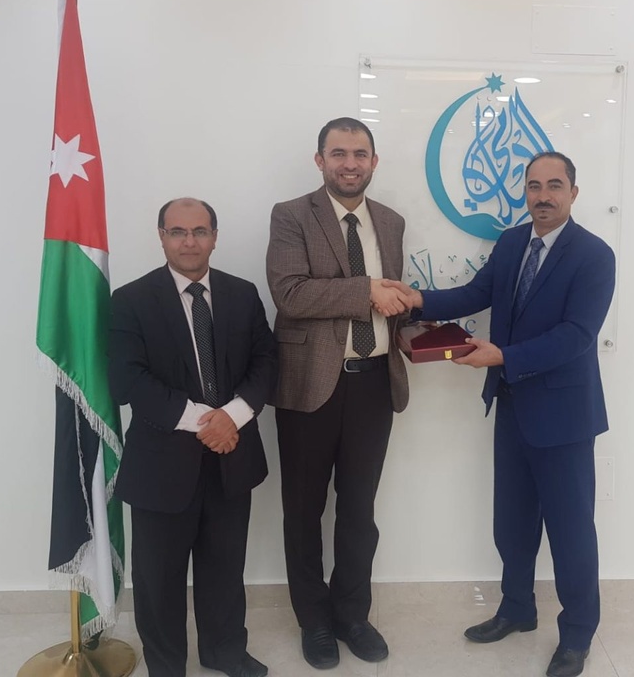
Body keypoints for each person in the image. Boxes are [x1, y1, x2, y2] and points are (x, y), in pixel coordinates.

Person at [389, 152, 615, 677]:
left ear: (574, 193)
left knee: (571, 534)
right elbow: (476, 293)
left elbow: (577, 336)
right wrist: (416, 300)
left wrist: (504, 357)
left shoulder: (594, 255)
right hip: (512, 406)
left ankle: (577, 635)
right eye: (534, 186)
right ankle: (517, 610)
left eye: (554, 186)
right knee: (511, 524)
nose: (543, 196)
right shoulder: (513, 243)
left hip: (564, 418)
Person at [110, 198, 277, 677]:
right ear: (161, 236)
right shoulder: (131, 300)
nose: (189, 242)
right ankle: (167, 667)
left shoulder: (242, 294)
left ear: (214, 237)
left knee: (224, 568)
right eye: (178, 232)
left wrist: (234, 416)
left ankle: (225, 652)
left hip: (232, 459)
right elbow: (127, 380)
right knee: (158, 579)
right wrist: (208, 421)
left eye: (200, 231)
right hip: (161, 466)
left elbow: (267, 362)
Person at [265, 118, 409, 670]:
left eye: (360, 153)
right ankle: (315, 621)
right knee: (303, 511)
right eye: (339, 153)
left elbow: (392, 304)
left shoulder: (391, 222)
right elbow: (291, 294)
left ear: (374, 161)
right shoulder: (291, 215)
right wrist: (366, 290)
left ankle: (352, 615)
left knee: (358, 511)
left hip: (374, 384)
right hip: (309, 386)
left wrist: (428, 335)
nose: (350, 163)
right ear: (320, 160)